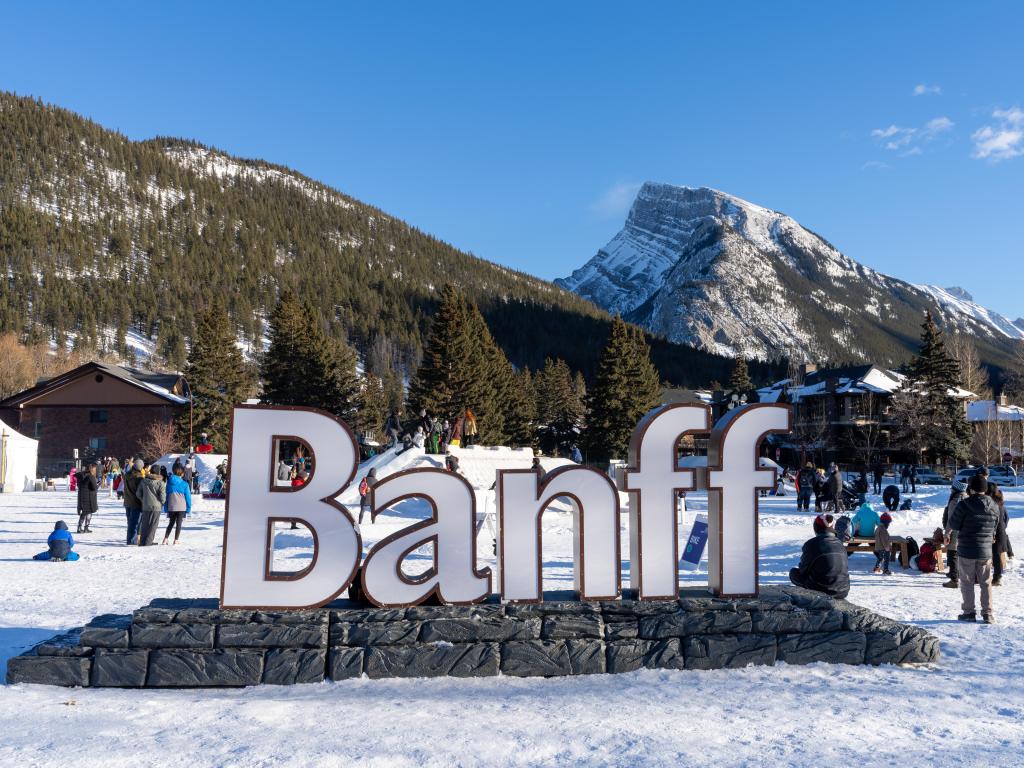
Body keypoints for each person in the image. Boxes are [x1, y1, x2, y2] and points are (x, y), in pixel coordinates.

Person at [947, 473, 999, 623]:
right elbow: (995, 527)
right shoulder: (994, 505)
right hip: (985, 551)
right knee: (986, 582)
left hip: (966, 550)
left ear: (971, 489)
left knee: (967, 582)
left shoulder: (964, 504)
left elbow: (954, 524)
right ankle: (987, 614)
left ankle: (969, 612)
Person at [789, 515, 850, 599]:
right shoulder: (840, 543)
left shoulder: (812, 544)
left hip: (821, 590)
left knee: (793, 573)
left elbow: (803, 570)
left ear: (816, 528)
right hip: (843, 590)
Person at [941, 479, 967, 588]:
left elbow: (952, 519)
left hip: (955, 531)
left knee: (953, 553)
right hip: (965, 530)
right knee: (960, 554)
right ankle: (957, 573)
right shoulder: (967, 497)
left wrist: (947, 533)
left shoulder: (956, 500)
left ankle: (954, 579)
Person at [161, 464, 193, 545]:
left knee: (171, 523)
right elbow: (188, 498)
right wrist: (188, 508)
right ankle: (176, 540)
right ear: (182, 473)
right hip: (181, 507)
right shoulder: (185, 484)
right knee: (179, 523)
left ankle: (165, 538)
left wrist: (166, 507)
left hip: (171, 506)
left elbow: (166, 496)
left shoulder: (169, 483)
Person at [137, 465, 167, 546]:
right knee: (153, 525)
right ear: (158, 472)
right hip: (156, 506)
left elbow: (138, 494)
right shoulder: (160, 483)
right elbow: (162, 497)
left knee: (145, 524)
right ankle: (148, 542)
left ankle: (142, 541)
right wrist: (162, 502)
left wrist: (143, 500)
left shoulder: (144, 481)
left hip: (146, 505)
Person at [987, 484, 1009, 587]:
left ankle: (995, 577)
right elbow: (1006, 518)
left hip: (993, 532)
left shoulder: (990, 503)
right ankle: (997, 577)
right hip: (1000, 531)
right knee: (997, 555)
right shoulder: (1001, 503)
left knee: (993, 555)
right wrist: (1003, 527)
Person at [122, 458, 146, 545]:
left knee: (130, 522)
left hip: (127, 501)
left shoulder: (127, 475)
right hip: (135, 503)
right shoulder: (139, 478)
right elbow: (140, 492)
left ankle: (130, 539)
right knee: (134, 523)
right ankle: (131, 540)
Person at [76, 463, 99, 533]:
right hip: (89, 497)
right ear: (93, 469)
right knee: (89, 512)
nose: (95, 470)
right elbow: (94, 487)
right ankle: (85, 527)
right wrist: (98, 484)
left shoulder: (83, 475)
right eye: (95, 469)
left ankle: (80, 527)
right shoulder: (91, 476)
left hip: (82, 496)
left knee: (85, 512)